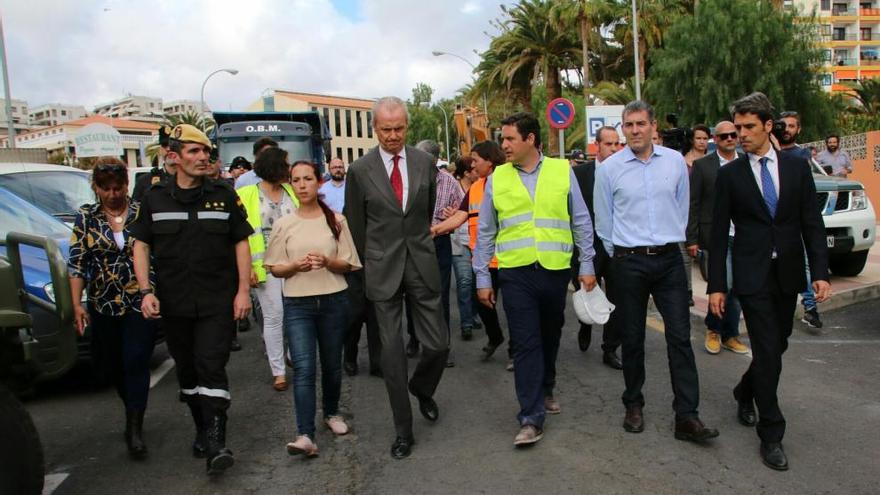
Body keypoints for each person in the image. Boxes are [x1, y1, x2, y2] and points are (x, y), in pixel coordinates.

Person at [708, 92, 830, 471]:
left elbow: (811, 222)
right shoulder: (730, 175)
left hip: (788, 274)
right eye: (737, 127)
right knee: (767, 345)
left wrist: (821, 273)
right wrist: (716, 285)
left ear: (767, 126)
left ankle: (745, 391)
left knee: (776, 346)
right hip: (751, 275)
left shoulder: (797, 167)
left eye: (748, 127)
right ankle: (772, 432)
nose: (740, 134)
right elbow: (715, 233)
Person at [130, 124, 254, 475]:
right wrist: (145, 290)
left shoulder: (223, 195)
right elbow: (141, 245)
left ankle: (217, 442)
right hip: (175, 303)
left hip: (217, 301)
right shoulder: (155, 199)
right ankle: (201, 427)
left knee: (211, 365)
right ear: (175, 156)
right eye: (194, 152)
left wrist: (243, 290)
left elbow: (241, 243)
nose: (203, 158)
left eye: (206, 152)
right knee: (187, 371)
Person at [594, 101, 719, 444]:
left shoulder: (676, 162)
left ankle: (687, 416)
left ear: (652, 127)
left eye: (640, 124)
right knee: (632, 338)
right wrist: (619, 257)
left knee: (679, 337)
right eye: (628, 125)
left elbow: (681, 209)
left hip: (668, 262)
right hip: (628, 263)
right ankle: (633, 404)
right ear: (623, 129)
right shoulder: (609, 170)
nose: (634, 130)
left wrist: (669, 242)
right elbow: (603, 223)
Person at [474, 112, 597, 447]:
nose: (505, 145)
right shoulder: (497, 178)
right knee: (526, 342)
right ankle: (530, 417)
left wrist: (587, 264)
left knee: (550, 334)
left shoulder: (561, 171)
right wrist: (482, 276)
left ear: (530, 139)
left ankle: (546, 387)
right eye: (503, 139)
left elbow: (581, 220)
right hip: (515, 273)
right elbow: (485, 231)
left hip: (555, 271)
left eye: (511, 138)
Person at [344, 96, 449, 460]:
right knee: (391, 356)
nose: (393, 136)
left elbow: (424, 212)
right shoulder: (359, 170)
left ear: (407, 126)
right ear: (375, 129)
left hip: (421, 263)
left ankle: (422, 387)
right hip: (382, 269)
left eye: (399, 128)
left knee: (438, 345)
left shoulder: (424, 163)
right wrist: (368, 263)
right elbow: (356, 225)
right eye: (386, 129)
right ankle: (403, 430)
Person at [264, 159, 362, 457]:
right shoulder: (284, 224)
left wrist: (327, 261)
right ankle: (305, 433)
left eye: (308, 179)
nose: (303, 184)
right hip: (298, 304)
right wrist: (295, 265)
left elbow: (349, 263)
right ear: (290, 184)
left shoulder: (336, 220)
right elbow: (275, 268)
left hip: (333, 300)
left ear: (318, 182)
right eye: (297, 180)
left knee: (332, 364)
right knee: (305, 367)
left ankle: (331, 413)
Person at [69, 157, 156, 459]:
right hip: (102, 302)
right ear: (96, 188)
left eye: (117, 188)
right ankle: (129, 403)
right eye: (105, 189)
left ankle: (135, 425)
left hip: (138, 300)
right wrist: (76, 305)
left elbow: (154, 251)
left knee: (136, 359)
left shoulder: (141, 212)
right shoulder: (86, 217)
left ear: (126, 185)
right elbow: (77, 262)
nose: (112, 194)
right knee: (113, 364)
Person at [431, 140, 512, 368]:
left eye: (476, 160)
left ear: (490, 160)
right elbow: (459, 216)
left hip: (510, 258)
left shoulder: (510, 182)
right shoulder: (476, 188)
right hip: (483, 261)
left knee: (515, 307)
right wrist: (435, 230)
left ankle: (516, 351)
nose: (473, 165)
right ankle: (495, 336)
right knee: (481, 303)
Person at [236, 148, 298, 391]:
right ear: (276, 166)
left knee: (295, 313)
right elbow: (239, 235)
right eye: (286, 164)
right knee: (274, 317)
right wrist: (246, 267)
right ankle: (278, 371)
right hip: (264, 267)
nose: (289, 168)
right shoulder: (245, 194)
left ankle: (294, 355)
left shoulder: (292, 192)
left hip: (295, 265)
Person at [686, 121, 748, 355]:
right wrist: (692, 239)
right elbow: (693, 203)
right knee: (723, 284)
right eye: (724, 136)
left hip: (742, 236)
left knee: (737, 289)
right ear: (715, 139)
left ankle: (730, 334)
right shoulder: (703, 166)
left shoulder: (746, 163)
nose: (730, 139)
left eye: (734, 135)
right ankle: (713, 330)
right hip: (715, 236)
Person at [408, 139, 463, 367]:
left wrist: (453, 215)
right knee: (412, 293)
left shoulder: (449, 183)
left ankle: (443, 347)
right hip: (412, 244)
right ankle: (414, 338)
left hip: (439, 244)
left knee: (439, 296)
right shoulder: (408, 180)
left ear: (432, 159)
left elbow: (462, 212)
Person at [571, 126, 622, 370]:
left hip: (617, 246)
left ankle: (610, 349)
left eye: (617, 144)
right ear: (597, 146)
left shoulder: (626, 172)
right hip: (586, 247)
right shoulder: (579, 173)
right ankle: (586, 322)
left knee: (617, 297)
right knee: (587, 291)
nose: (614, 148)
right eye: (609, 144)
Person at [777, 111, 823, 329]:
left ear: (799, 129)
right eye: (783, 125)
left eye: (792, 126)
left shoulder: (801, 155)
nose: (787, 129)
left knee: (803, 265)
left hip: (794, 222)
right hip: (770, 223)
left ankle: (810, 307)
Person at [449, 156, 480, 340]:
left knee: (478, 282)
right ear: (467, 173)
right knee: (465, 281)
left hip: (478, 242)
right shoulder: (452, 186)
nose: (477, 171)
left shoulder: (481, 187)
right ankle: (466, 323)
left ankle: (474, 313)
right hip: (459, 243)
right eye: (474, 169)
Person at [133, 125, 176, 202]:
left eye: (172, 145)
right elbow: (135, 210)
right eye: (165, 145)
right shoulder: (144, 181)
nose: (168, 149)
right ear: (160, 150)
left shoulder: (193, 179)